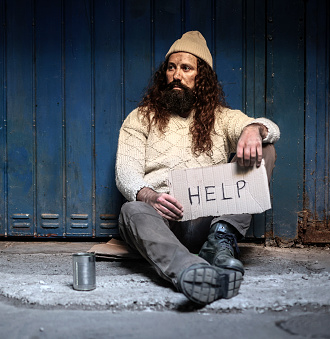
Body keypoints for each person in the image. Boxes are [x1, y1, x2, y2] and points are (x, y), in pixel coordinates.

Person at [115, 31, 280, 305]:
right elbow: (126, 174)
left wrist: (254, 128)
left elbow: (271, 130)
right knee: (130, 209)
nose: (176, 75)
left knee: (265, 147)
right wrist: (149, 196)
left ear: (201, 77)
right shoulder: (140, 118)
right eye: (171, 67)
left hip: (209, 219)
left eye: (186, 68)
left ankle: (220, 243)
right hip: (163, 220)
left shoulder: (221, 117)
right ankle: (189, 271)